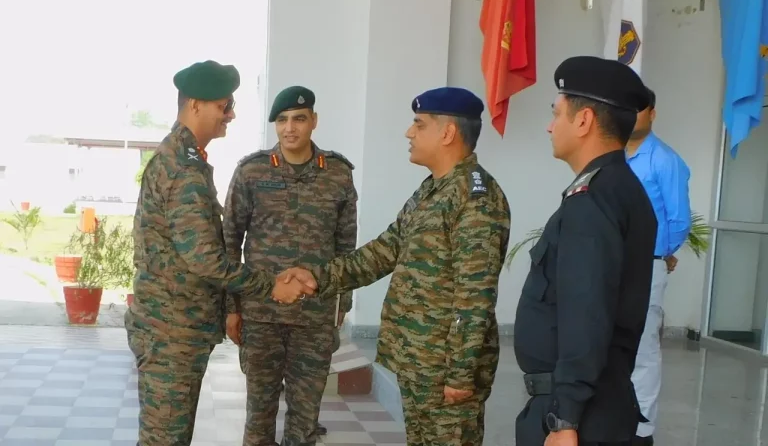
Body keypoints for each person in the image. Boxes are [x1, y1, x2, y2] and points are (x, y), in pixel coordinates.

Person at [283, 86, 511, 446]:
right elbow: (382, 252)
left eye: (419, 125)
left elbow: (475, 295)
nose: (409, 132)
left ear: (447, 133)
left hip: (445, 371)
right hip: (420, 365)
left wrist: (461, 375)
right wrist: (317, 277)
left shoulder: (475, 198)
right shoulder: (432, 191)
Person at [125, 61, 315, 446]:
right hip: (171, 331)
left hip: (173, 327)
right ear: (195, 104)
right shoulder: (184, 168)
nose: (231, 115)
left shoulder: (182, 158)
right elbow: (204, 259)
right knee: (165, 439)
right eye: (224, 106)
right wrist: (269, 286)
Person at [513, 55, 658, 446]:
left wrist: (565, 419)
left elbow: (586, 311)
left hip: (578, 416)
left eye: (556, 113)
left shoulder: (593, 199)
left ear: (584, 120)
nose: (549, 125)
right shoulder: (618, 188)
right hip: (594, 403)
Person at [223, 85, 358, 446]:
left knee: (305, 416)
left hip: (315, 318)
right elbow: (229, 243)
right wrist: (231, 309)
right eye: (281, 120)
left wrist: (340, 305)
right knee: (259, 413)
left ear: (313, 121)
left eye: (299, 118)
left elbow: (346, 249)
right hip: (260, 314)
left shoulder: (338, 174)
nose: (290, 128)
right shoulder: (252, 172)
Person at [625, 87, 691, 446]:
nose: (630, 115)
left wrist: (662, 253)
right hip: (613, 265)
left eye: (637, 109)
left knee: (643, 348)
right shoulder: (614, 154)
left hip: (646, 266)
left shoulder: (665, 160)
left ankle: (642, 429)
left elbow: (679, 220)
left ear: (651, 112)